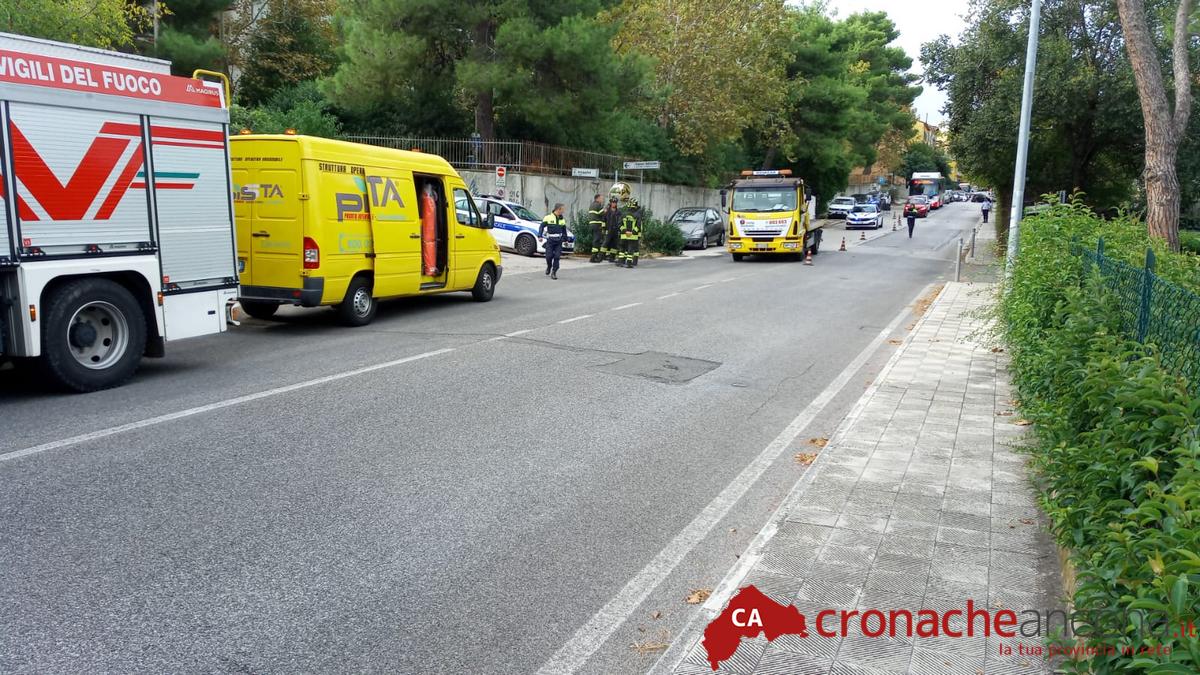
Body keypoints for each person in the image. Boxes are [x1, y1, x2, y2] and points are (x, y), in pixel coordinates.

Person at [540, 203, 568, 279]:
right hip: (550, 240)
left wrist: (565, 240)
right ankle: (549, 266)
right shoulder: (548, 217)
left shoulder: (562, 219)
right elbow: (541, 226)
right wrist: (540, 235)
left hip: (559, 241)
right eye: (563, 209)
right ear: (558, 209)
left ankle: (554, 272)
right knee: (548, 256)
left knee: (557, 257)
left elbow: (564, 230)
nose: (564, 211)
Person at [618, 197, 643, 268]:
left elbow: (619, 225)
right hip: (632, 236)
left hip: (623, 236)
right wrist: (632, 232)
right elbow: (638, 226)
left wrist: (625, 231)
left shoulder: (623, 214)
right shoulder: (637, 215)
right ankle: (629, 263)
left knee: (622, 249)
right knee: (630, 249)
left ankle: (621, 262)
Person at [587, 194, 607, 262]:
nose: (602, 200)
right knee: (597, 240)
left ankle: (595, 255)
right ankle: (594, 257)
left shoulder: (591, 205)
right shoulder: (598, 205)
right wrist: (605, 210)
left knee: (595, 240)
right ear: (597, 198)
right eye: (601, 198)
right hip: (597, 225)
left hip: (592, 224)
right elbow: (602, 213)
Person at [603, 196, 622, 263]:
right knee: (605, 243)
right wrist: (604, 229)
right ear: (610, 203)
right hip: (608, 229)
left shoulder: (619, 212)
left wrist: (619, 229)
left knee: (614, 244)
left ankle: (612, 258)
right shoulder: (607, 211)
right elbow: (603, 220)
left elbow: (620, 221)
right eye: (613, 202)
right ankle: (601, 256)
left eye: (615, 203)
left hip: (615, 230)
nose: (614, 204)